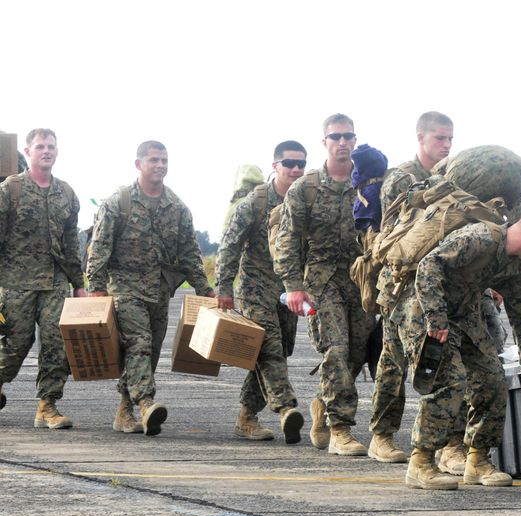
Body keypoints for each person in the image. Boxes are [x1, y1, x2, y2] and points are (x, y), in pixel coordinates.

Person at [368, 113, 508, 475]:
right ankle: (382, 435)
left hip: (447, 283)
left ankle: (452, 445)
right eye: (440, 138)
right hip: (404, 284)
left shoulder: (458, 177)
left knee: (457, 365)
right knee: (394, 363)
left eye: (450, 139)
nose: (446, 145)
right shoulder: (402, 178)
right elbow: (397, 230)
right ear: (421, 137)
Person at [404, 203, 521, 490]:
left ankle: (478, 460)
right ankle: (421, 463)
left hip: (466, 316)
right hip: (428, 314)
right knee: (450, 381)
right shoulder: (479, 239)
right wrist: (436, 317)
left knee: (492, 379)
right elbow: (430, 265)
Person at [87, 140, 214, 436]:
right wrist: (95, 288)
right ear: (139, 164)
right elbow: (100, 247)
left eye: (164, 160)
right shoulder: (118, 202)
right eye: (154, 160)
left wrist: (205, 290)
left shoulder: (177, 207)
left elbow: (189, 253)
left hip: (159, 290)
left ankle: (124, 409)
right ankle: (145, 403)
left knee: (152, 349)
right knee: (139, 342)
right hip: (124, 288)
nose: (160, 165)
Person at [274, 114, 375, 456]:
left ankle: (322, 402)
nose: (342, 142)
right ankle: (339, 428)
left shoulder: (369, 184)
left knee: (358, 353)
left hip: (360, 281)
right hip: (320, 281)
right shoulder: (307, 187)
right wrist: (293, 285)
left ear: (355, 140)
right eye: (335, 137)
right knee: (336, 350)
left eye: (348, 136)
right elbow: (287, 238)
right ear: (325, 142)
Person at [214, 141, 308, 443]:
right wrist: (223, 288)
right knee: (269, 346)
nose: (296, 169)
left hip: (288, 290)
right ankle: (286, 408)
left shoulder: (305, 200)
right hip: (255, 286)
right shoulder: (255, 202)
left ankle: (246, 416)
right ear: (275, 166)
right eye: (289, 163)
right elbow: (229, 246)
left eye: (301, 164)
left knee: (276, 352)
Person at [0, 128, 86, 428]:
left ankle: (47, 406)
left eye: (50, 146)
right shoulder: (11, 189)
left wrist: (79, 284)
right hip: (16, 282)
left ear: (56, 151)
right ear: (27, 152)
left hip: (55, 282)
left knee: (56, 344)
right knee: (15, 344)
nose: (46, 151)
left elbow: (71, 243)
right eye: (40, 147)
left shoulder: (67, 194)